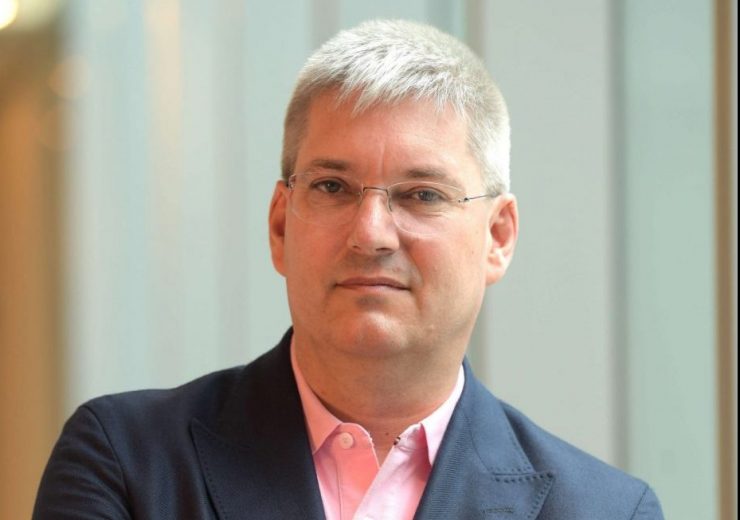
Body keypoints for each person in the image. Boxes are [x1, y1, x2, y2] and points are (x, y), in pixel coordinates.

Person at [34, 19, 664, 519]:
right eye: (333, 187)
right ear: (281, 226)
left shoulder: (605, 511)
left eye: (422, 194)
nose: (370, 234)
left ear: (497, 237)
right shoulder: (125, 463)